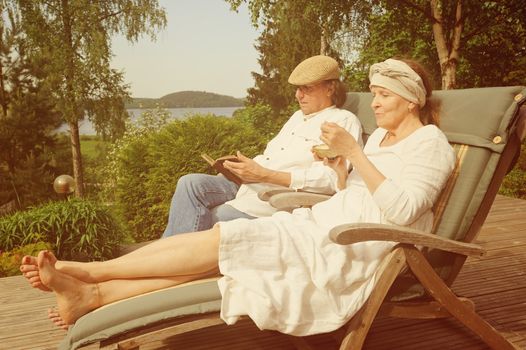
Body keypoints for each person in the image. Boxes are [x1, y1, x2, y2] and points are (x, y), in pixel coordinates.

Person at [21, 58, 456, 336]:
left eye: (383, 95)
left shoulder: (429, 144)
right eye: (374, 94)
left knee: (220, 243)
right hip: (324, 227)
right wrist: (343, 169)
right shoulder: (382, 136)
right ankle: (93, 296)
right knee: (220, 255)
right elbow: (357, 191)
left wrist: (353, 153)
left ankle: (90, 273)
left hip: (353, 247)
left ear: (411, 99)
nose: (375, 104)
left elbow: (401, 211)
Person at [162, 55, 363, 237]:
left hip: (278, 198)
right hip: (250, 183)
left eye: (306, 88)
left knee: (215, 215)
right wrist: (241, 168)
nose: (298, 96)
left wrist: (264, 175)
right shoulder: (297, 117)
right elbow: (273, 155)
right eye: (297, 89)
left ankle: (164, 261)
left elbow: (332, 180)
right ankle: (164, 258)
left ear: (330, 88)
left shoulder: (342, 122)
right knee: (189, 183)